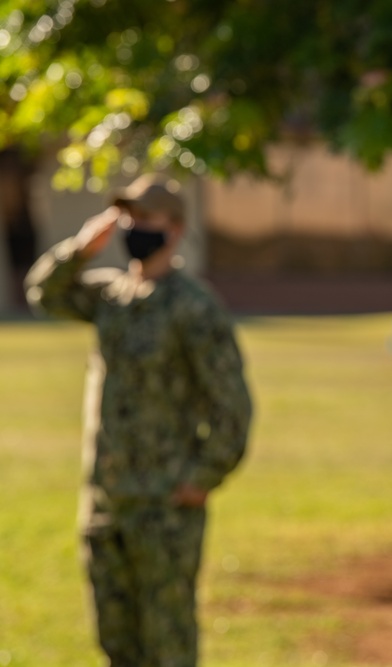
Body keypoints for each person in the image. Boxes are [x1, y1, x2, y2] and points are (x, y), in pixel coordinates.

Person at [24, 174, 252, 667]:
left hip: (164, 507)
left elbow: (231, 405)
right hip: (106, 501)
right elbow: (44, 293)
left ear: (174, 228)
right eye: (126, 216)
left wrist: (203, 477)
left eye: (144, 217)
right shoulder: (111, 298)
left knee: (166, 646)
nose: (132, 226)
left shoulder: (193, 307)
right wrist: (81, 249)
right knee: (117, 644)